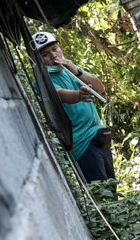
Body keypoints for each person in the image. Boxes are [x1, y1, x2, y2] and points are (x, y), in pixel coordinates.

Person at [32, 31, 115, 183]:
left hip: (98, 136)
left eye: (55, 49)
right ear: (37, 59)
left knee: (112, 186)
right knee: (102, 194)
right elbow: (60, 93)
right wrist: (78, 95)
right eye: (45, 54)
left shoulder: (68, 71)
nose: (53, 56)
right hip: (82, 145)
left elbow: (99, 87)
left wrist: (75, 69)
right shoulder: (42, 80)